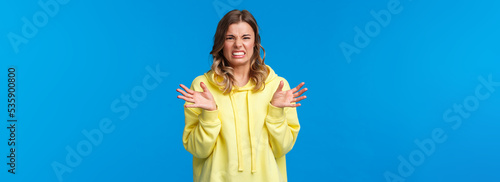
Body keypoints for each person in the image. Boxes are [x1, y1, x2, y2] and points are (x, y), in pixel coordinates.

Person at [176, 9, 307, 182]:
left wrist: (275, 112)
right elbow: (198, 150)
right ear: (221, 42)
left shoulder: (277, 86)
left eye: (246, 37)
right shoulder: (202, 86)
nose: (238, 44)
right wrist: (209, 115)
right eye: (230, 38)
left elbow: (282, 149)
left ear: (255, 43)